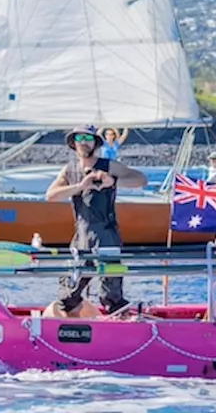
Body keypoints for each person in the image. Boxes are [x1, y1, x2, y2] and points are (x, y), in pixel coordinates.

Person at [43, 125, 148, 318]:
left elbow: (141, 179)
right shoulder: (69, 170)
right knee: (68, 291)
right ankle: (73, 327)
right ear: (74, 143)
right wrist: (80, 186)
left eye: (88, 138)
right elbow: (50, 195)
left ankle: (120, 325)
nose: (84, 142)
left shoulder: (108, 165)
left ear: (95, 143)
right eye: (80, 138)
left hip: (106, 235)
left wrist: (113, 181)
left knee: (111, 293)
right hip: (81, 236)